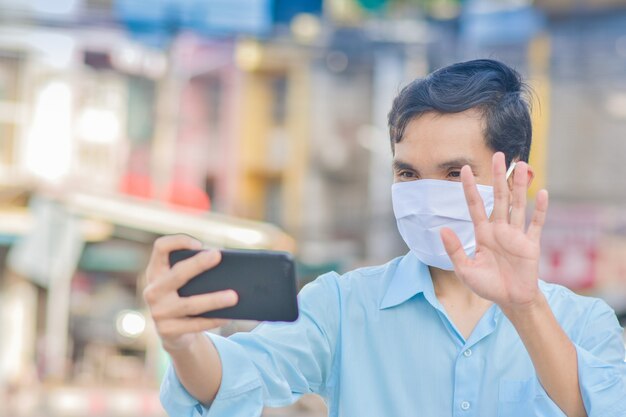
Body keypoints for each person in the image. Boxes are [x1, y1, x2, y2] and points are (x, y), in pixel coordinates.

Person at [144, 59, 626, 417]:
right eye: (408, 173)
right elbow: (232, 381)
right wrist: (183, 343)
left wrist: (526, 309)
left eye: (454, 172)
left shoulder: (583, 324)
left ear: (514, 178)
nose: (425, 194)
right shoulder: (342, 305)